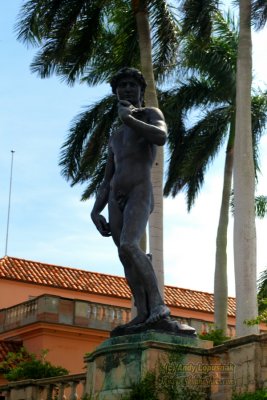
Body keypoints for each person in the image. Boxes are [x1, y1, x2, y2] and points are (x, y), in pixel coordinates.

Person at [91, 67, 170, 329]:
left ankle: (159, 304)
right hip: (116, 196)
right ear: (115, 93)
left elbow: (161, 136)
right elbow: (106, 178)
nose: (126, 89)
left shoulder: (149, 115)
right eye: (121, 85)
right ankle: (144, 311)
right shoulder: (115, 136)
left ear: (140, 90)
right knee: (125, 256)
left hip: (140, 189)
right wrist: (95, 210)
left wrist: (131, 120)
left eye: (131, 84)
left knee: (129, 245)